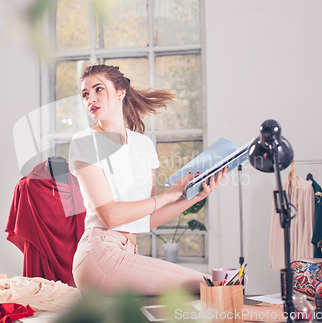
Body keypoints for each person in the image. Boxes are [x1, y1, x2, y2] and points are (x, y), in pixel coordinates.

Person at [68, 64, 227, 295]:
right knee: (212, 285)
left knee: (214, 287)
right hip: (99, 252)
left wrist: (194, 197)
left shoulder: (143, 145)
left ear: (120, 91)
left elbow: (147, 219)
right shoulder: (84, 142)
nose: (90, 98)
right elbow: (110, 217)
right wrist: (169, 194)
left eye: (98, 89)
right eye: (85, 94)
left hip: (128, 252)